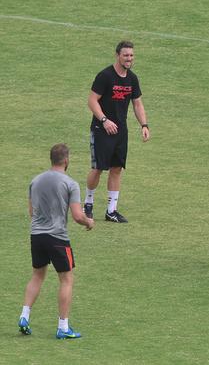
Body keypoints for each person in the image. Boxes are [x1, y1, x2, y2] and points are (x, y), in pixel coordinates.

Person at [19, 144, 94, 339]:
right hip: (58, 237)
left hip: (36, 236)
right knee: (66, 279)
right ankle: (63, 327)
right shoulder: (70, 184)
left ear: (51, 159)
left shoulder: (35, 181)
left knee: (37, 275)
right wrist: (89, 222)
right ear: (66, 160)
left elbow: (31, 212)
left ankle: (24, 316)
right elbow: (78, 216)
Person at [84, 40, 151, 223]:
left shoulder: (132, 79)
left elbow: (137, 103)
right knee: (98, 168)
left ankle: (111, 210)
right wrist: (104, 120)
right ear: (117, 55)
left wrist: (144, 125)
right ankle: (88, 204)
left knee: (116, 169)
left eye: (131, 55)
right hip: (101, 130)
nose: (129, 59)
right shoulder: (105, 76)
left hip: (121, 132)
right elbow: (92, 101)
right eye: (126, 55)